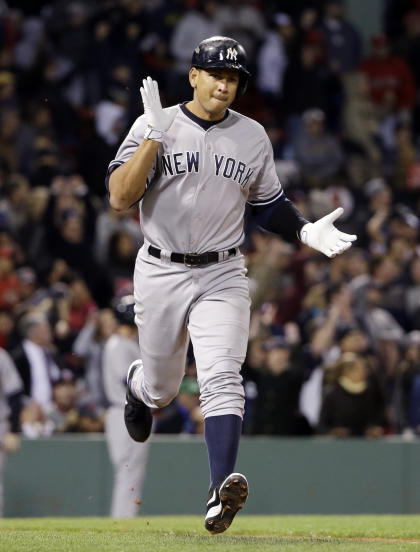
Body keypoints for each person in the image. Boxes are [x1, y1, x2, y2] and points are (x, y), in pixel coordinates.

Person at [107, 36, 356, 533]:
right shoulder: (153, 121)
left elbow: (266, 203)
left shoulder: (252, 136)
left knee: (223, 376)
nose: (225, 84)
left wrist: (304, 230)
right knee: (162, 389)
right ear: (194, 75)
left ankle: (219, 491)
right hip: (160, 269)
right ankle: (138, 385)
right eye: (215, 74)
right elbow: (119, 197)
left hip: (222, 270)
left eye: (234, 78)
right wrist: (154, 136)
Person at [102, 295, 150, 518]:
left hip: (129, 411)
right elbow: (127, 380)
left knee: (132, 472)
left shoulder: (127, 343)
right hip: (122, 411)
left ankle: (126, 517)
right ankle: (122, 519)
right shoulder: (117, 345)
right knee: (127, 470)